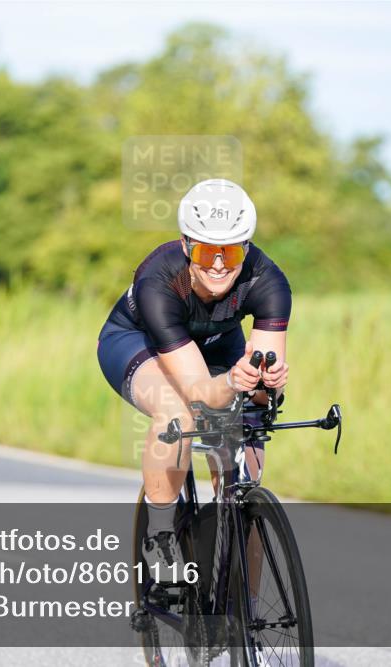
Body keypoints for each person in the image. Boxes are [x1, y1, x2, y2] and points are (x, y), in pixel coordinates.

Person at [97, 179, 291, 583]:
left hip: (219, 342)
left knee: (244, 471)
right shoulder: (159, 281)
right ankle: (161, 534)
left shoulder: (269, 281)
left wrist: (265, 383)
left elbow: (264, 388)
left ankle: (243, 612)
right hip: (139, 342)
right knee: (178, 412)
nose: (219, 264)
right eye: (206, 251)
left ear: (247, 248)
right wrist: (234, 384)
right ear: (186, 246)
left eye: (231, 250)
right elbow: (202, 393)